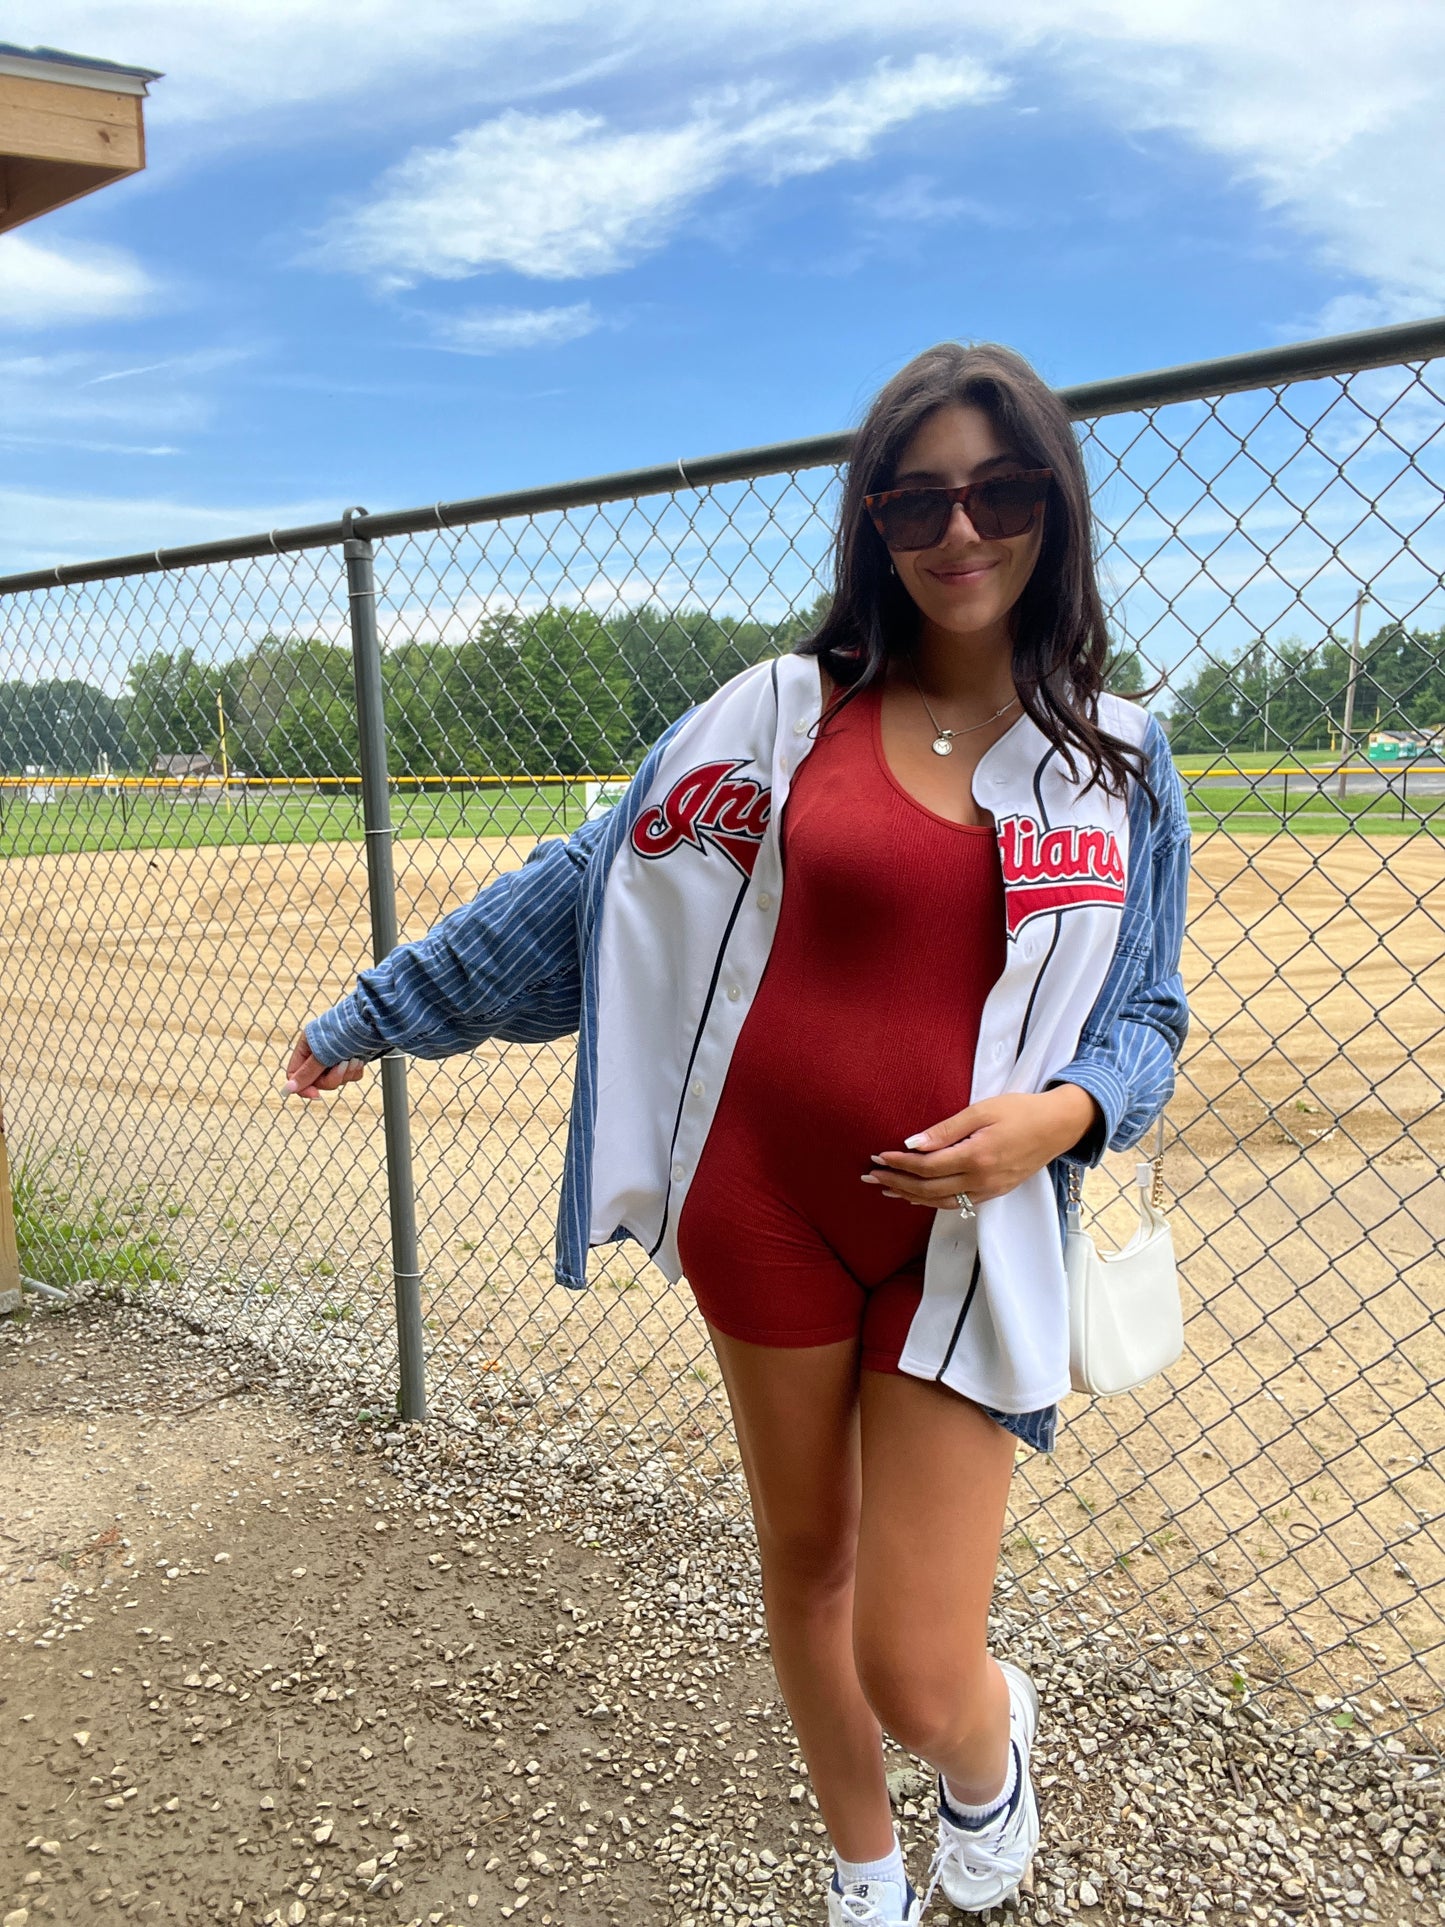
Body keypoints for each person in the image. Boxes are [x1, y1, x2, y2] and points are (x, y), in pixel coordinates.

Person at [285, 342, 1190, 1927]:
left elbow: (1145, 1023)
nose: (956, 529)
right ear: (871, 524)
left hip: (965, 1238)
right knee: (806, 1565)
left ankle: (987, 1751)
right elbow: (585, 894)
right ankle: (863, 1866)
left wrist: (1053, 1119)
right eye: (915, 498)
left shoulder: (1113, 764)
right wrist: (371, 1014)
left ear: (1052, 502)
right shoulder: (775, 718)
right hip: (758, 1207)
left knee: (915, 1658)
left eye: (998, 490)